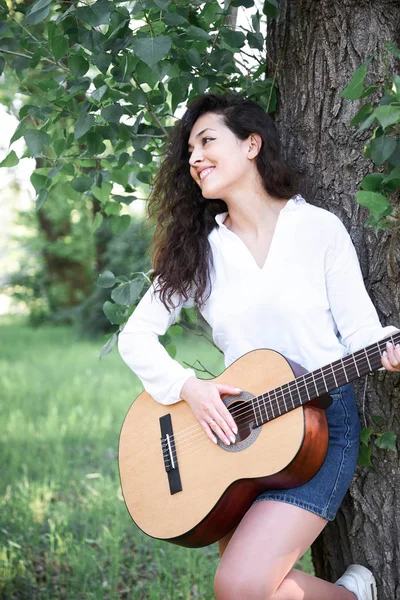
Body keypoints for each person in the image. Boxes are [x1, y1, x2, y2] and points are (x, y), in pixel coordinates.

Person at [118, 93, 400, 600]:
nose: (195, 157)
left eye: (207, 141)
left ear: (252, 144)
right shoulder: (198, 252)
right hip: (233, 437)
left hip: (318, 431)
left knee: (241, 586)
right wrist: (190, 389)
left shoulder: (318, 229)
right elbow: (135, 337)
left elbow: (361, 334)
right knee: (249, 592)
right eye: (189, 151)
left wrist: (388, 348)